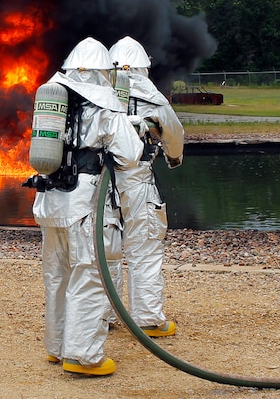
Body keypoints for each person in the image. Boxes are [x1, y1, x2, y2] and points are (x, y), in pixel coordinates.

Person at [29, 37, 143, 376]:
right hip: (85, 207)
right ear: (100, 74)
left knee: (57, 275)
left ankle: (57, 347)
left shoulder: (53, 100)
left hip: (50, 201)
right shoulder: (105, 107)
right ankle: (83, 356)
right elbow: (130, 154)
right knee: (89, 275)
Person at [108, 36, 184, 337]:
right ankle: (149, 319)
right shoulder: (154, 98)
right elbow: (174, 136)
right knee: (145, 247)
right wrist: (173, 158)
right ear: (144, 67)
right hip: (138, 181)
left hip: (101, 183)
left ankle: (104, 316)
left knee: (104, 248)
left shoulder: (98, 95)